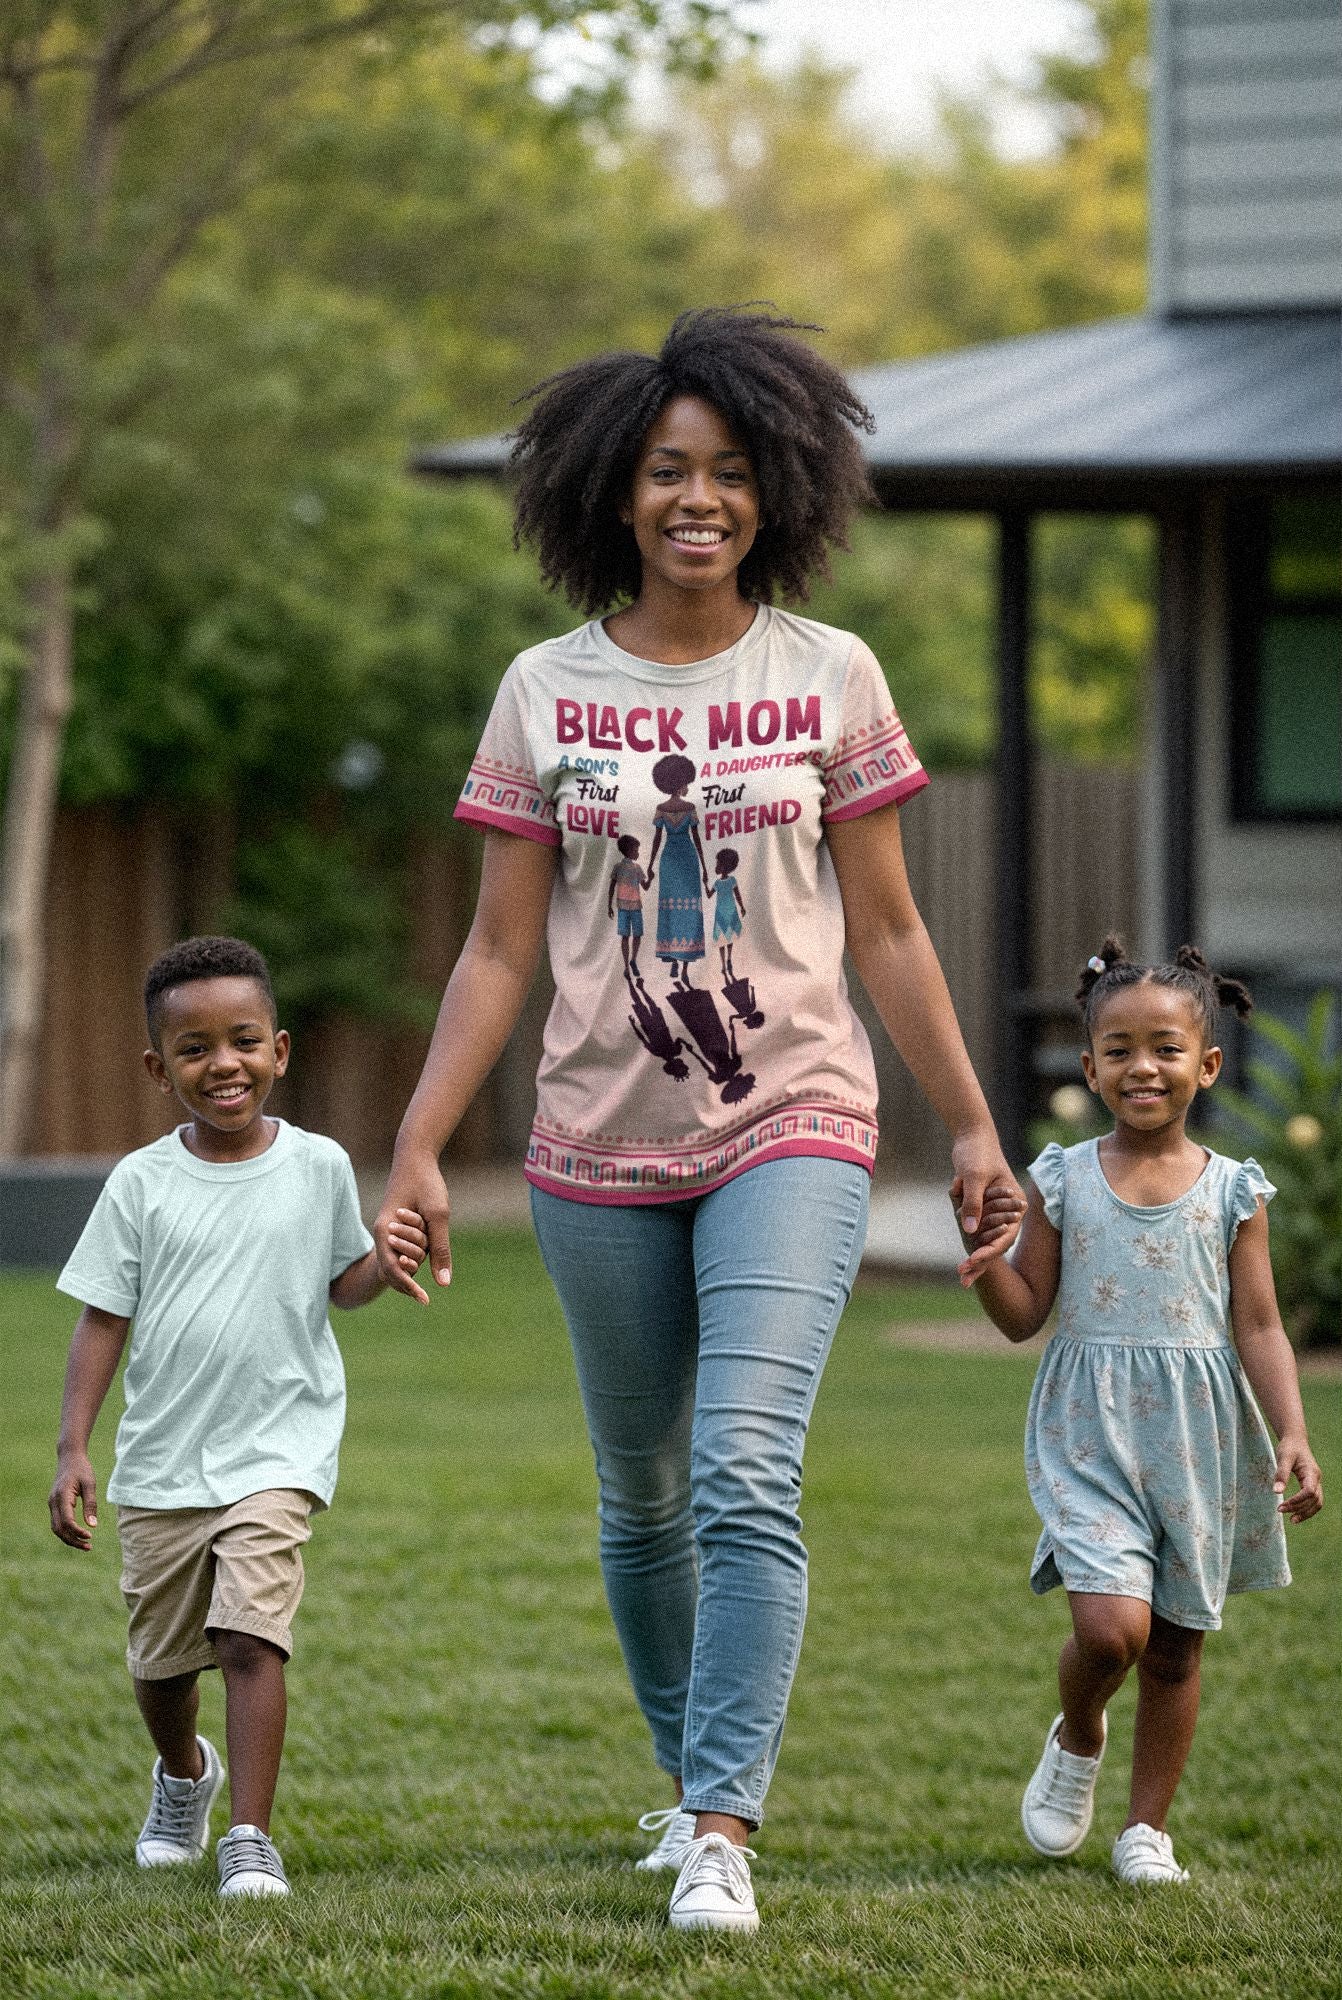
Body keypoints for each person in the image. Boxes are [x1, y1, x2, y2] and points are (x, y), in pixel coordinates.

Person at [375, 307, 1024, 1933]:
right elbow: (499, 948)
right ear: (612, 491)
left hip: (789, 1114)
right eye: (668, 470)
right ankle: (684, 1782)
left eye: (731, 473)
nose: (698, 500)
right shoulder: (546, 692)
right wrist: (412, 1145)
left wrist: (965, 1129)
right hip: (594, 1142)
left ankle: (723, 1828)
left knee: (743, 1467)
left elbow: (885, 929)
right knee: (641, 1490)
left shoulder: (827, 674)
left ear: (775, 489)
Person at [48, 936, 425, 1898]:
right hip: (164, 1459)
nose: (224, 1064)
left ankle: (250, 1838)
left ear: (281, 1050)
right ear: (158, 1068)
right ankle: (183, 1776)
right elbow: (103, 1318)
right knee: (161, 1664)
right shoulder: (139, 1184)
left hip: (276, 1447)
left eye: (244, 1040)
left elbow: (341, 1284)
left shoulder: (318, 1165)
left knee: (251, 1638)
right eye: (196, 1048)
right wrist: (73, 1449)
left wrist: (384, 1260)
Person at [967, 937, 1323, 1886]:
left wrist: (1290, 1429)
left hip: (1199, 1441)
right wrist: (984, 1274)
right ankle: (1080, 1726)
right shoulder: (1065, 1179)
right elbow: (1023, 1316)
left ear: (1206, 1064)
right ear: (1090, 1068)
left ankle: (1144, 1832)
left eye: (1165, 1048)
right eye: (1118, 1049)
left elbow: (1259, 1326)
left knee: (1172, 1650)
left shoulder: (1232, 1192)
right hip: (1091, 1435)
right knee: (1111, 1632)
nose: (1142, 1068)